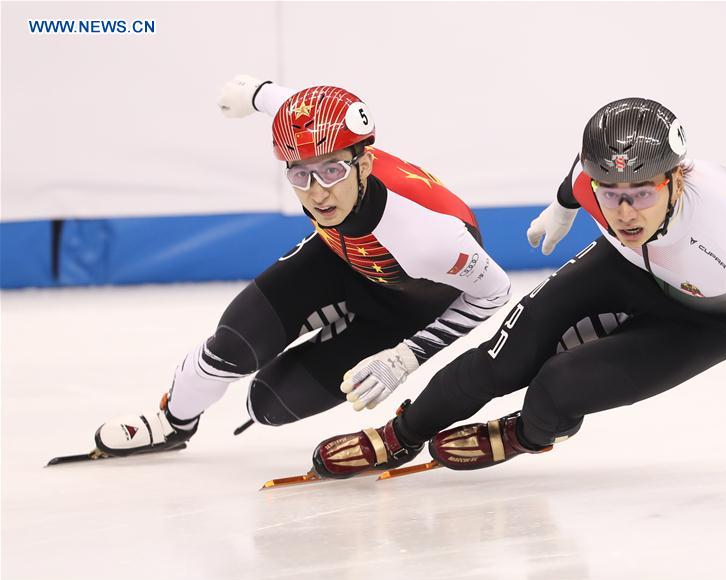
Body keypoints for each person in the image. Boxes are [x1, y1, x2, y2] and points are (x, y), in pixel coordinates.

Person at [310, 97, 726, 500]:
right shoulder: (599, 183)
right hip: (626, 269)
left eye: (641, 195)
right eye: (611, 196)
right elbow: (579, 174)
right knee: (504, 359)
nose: (624, 212)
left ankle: (528, 434)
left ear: (677, 180)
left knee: (558, 384)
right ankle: (401, 436)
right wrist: (562, 210)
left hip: (709, 321)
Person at [92, 76, 511, 459]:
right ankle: (171, 423)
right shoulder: (317, 151)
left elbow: (494, 291)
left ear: (364, 166)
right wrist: (256, 93)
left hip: (405, 310)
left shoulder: (428, 236)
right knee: (232, 345)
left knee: (269, 405)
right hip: (338, 261)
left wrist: (405, 358)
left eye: (332, 170)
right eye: (300, 175)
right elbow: (291, 107)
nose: (318, 193)